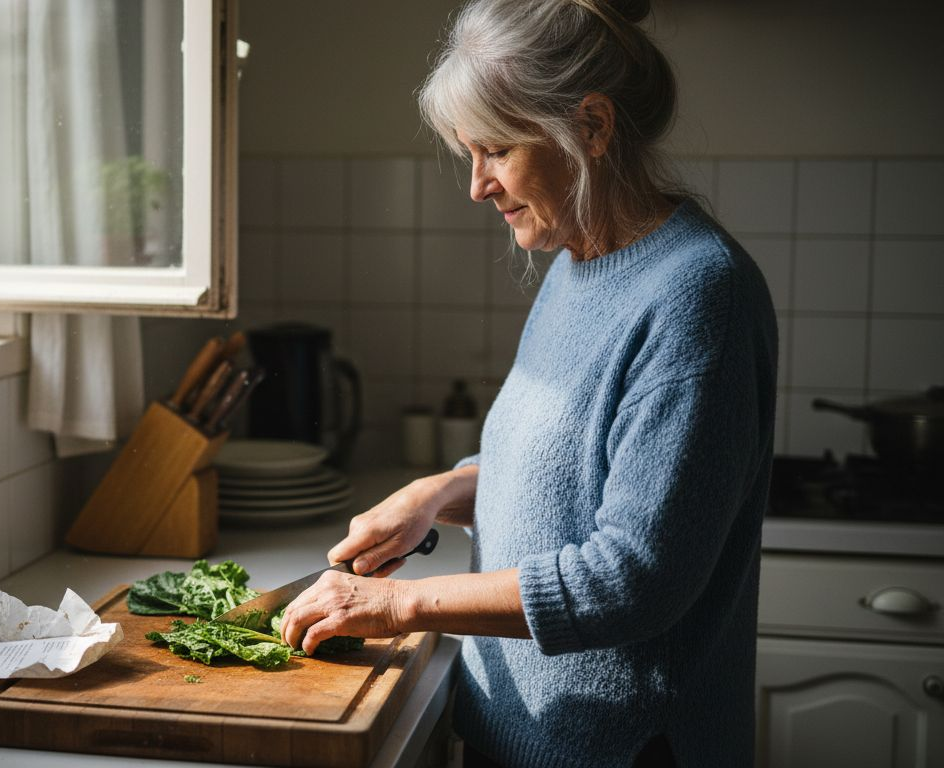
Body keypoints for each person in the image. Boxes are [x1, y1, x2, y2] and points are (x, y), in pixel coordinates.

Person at [275, 1, 778, 766]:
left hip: (627, 749)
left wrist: (398, 602)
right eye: (466, 153)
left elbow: (634, 580)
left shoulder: (699, 294)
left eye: (497, 151)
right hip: (516, 734)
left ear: (593, 127)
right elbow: (567, 477)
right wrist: (439, 493)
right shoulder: (578, 264)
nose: (477, 186)